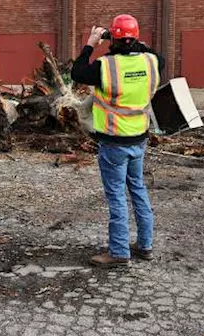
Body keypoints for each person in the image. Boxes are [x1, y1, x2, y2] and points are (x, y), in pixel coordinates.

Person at [70, 14, 163, 268]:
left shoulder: (106, 66)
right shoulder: (151, 61)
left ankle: (119, 251)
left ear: (113, 39)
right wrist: (133, 41)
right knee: (138, 190)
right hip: (139, 139)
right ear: (136, 38)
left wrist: (91, 42)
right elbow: (153, 53)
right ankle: (145, 245)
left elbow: (77, 71)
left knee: (116, 196)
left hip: (114, 142)